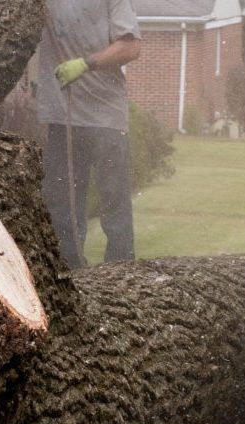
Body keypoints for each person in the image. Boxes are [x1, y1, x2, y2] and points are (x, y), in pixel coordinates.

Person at [34, 0, 142, 267]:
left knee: (114, 205)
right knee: (62, 208)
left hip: (106, 119)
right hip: (63, 119)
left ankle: (121, 275)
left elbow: (131, 47)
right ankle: (70, 276)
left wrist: (87, 63)